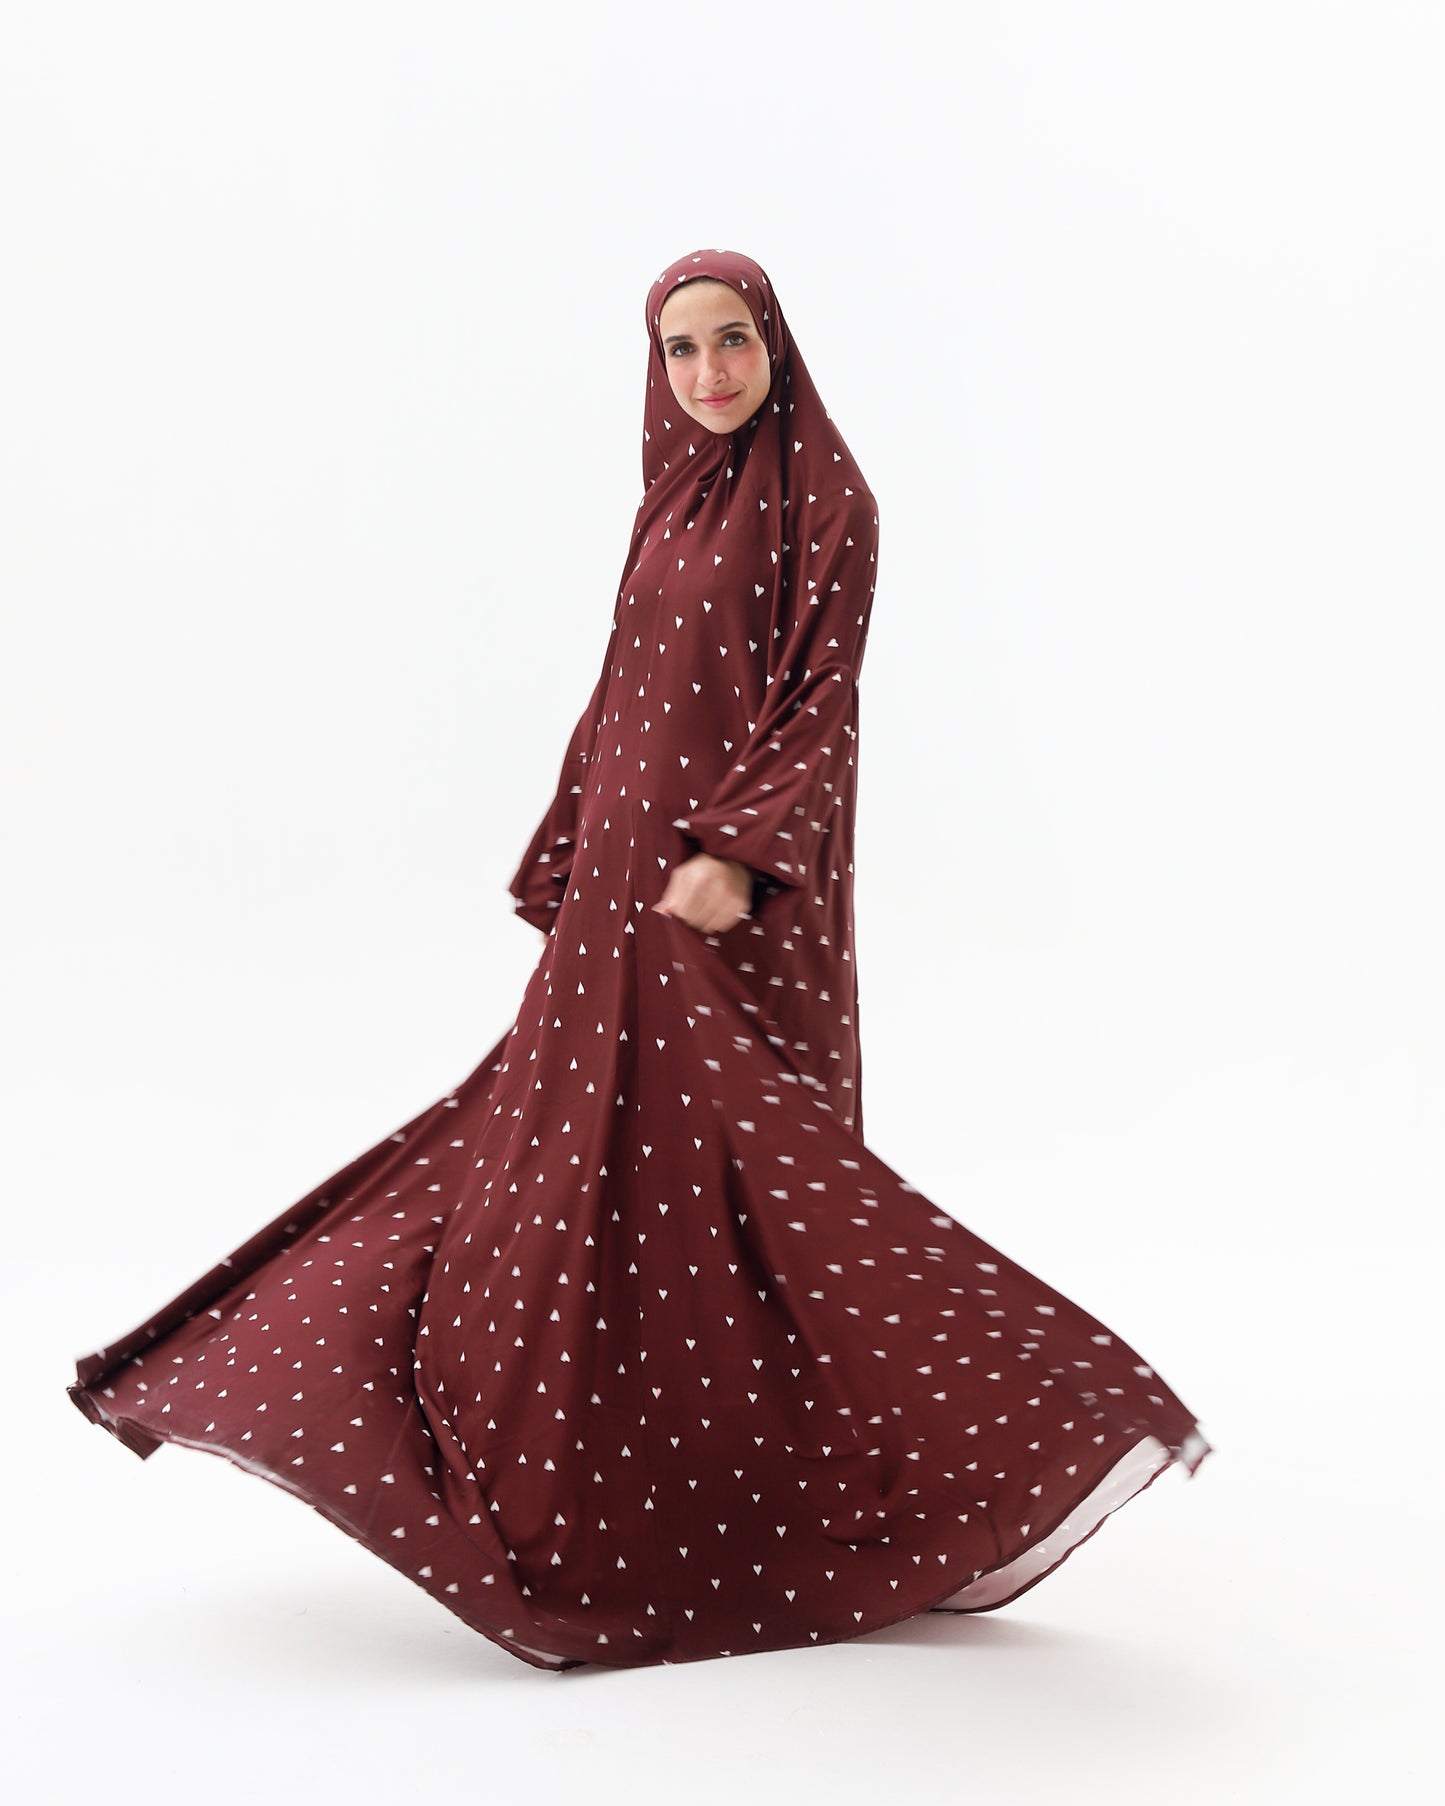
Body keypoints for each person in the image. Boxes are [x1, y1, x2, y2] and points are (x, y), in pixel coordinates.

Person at [67, 248, 1211, 1672]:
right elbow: (623, 686)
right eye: (680, 349)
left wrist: (737, 850)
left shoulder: (829, 502)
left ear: (776, 345)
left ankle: (993, 1438)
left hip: (735, 903)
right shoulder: (670, 495)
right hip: (627, 889)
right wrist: (569, 848)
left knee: (766, 1191)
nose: (708, 373)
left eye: (732, 341)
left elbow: (820, 702)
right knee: (560, 1167)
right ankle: (590, 1483)